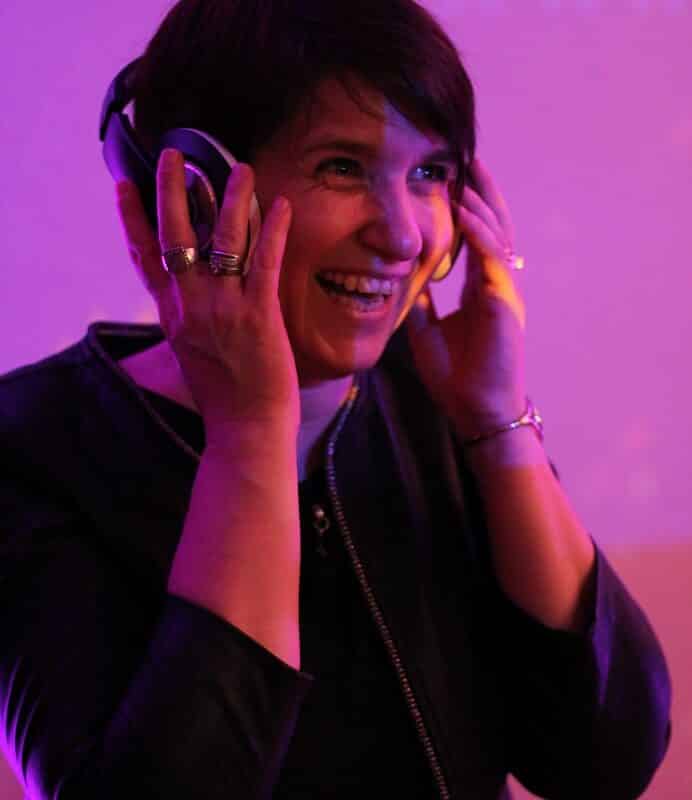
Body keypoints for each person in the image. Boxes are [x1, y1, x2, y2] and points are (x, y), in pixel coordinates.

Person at [0, 0, 671, 797]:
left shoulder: (436, 403)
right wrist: (251, 435)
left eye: (429, 174)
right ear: (196, 194)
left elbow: (607, 761)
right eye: (343, 167)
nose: (403, 236)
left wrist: (497, 422)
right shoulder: (33, 446)